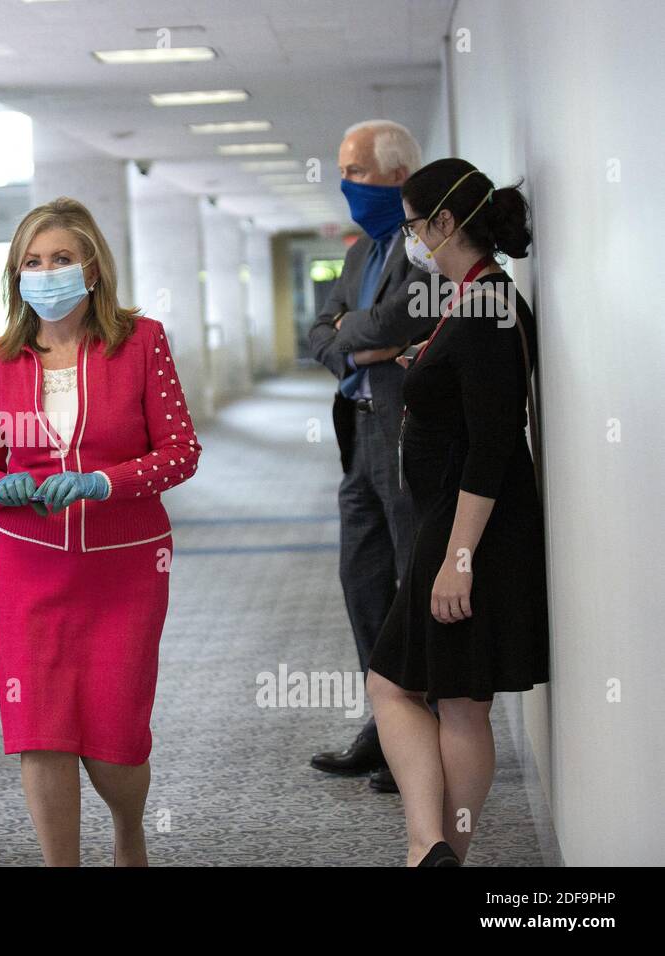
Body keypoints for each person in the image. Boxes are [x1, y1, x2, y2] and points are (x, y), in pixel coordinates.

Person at [0, 197, 201, 866]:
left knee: (114, 739)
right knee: (41, 732)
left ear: (92, 270)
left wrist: (105, 481)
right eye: (31, 262)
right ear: (15, 277)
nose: (46, 272)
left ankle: (129, 830)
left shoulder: (141, 342)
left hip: (125, 567)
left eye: (61, 259)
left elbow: (181, 452)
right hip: (29, 571)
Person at [367, 159, 547, 866]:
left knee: (418, 691)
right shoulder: (478, 298)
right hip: (462, 525)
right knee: (448, 696)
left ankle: (430, 849)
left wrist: (457, 561)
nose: (413, 241)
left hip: (469, 530)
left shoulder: (485, 307)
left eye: (415, 227)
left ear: (444, 223)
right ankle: (435, 848)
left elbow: (492, 447)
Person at [307, 120, 437, 793]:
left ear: (395, 175)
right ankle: (384, 726)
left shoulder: (424, 249)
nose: (344, 183)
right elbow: (317, 331)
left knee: (412, 579)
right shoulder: (360, 254)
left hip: (403, 433)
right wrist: (357, 347)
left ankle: (423, 729)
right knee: (362, 582)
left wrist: (350, 335)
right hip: (357, 436)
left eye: (353, 170)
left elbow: (396, 323)